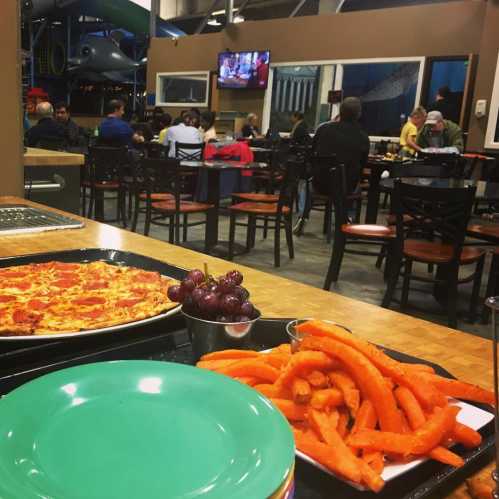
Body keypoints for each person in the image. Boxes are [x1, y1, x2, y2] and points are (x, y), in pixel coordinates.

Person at [294, 97, 369, 236]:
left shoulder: (323, 129)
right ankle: (347, 219)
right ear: (359, 114)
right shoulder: (363, 137)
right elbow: (362, 166)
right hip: (346, 188)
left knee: (305, 184)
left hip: (320, 184)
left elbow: (311, 154)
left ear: (340, 112)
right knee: (355, 179)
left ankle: (302, 217)